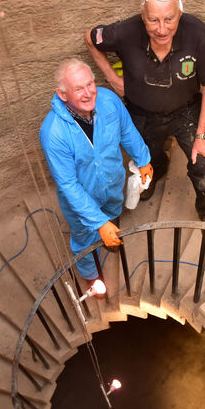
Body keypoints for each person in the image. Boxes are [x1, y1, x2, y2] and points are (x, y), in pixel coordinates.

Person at [84, 0, 205, 242]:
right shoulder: (124, 32)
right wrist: (113, 79)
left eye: (169, 19)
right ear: (143, 16)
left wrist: (202, 136)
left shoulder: (198, 34)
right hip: (142, 113)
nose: (161, 29)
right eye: (153, 20)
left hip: (186, 112)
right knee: (146, 156)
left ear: (179, 14)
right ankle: (156, 172)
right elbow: (90, 38)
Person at [40, 59, 153, 281]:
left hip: (112, 182)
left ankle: (110, 230)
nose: (88, 93)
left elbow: (127, 131)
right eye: (78, 89)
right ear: (63, 95)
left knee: (113, 211)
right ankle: (91, 275)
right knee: (85, 238)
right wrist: (99, 223)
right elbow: (68, 185)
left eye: (90, 84)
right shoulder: (54, 132)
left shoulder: (108, 101)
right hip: (83, 198)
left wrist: (143, 159)